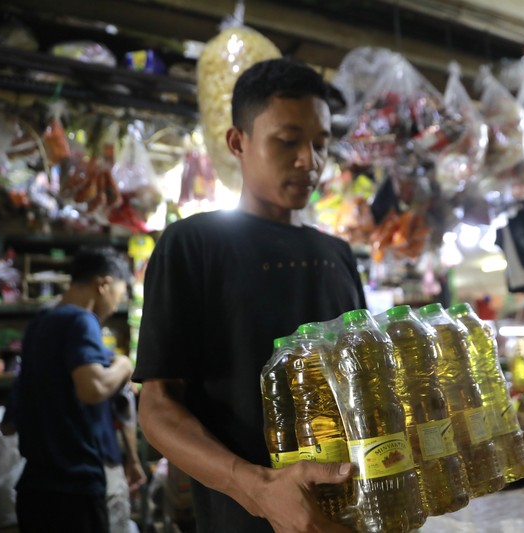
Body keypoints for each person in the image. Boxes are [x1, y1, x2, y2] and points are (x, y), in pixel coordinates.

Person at [134, 58, 366, 533]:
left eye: (320, 144)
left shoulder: (338, 254)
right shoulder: (193, 244)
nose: (310, 160)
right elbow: (156, 405)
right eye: (288, 140)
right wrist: (258, 489)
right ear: (237, 142)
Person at [14, 247, 136, 533]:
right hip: (74, 489)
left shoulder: (39, 325)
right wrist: (124, 366)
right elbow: (92, 389)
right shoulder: (81, 320)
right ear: (103, 284)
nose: (116, 305)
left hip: (34, 487)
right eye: (118, 295)